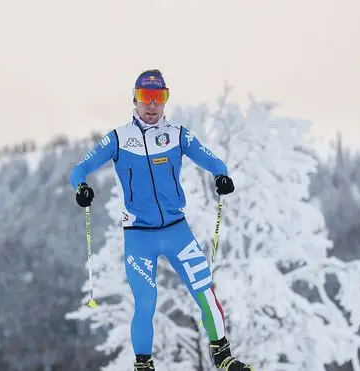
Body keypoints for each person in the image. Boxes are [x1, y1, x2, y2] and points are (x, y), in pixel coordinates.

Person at [69, 69, 253, 371]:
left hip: (177, 232)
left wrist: (222, 175)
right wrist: (82, 188)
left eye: (159, 97)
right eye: (145, 97)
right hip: (139, 237)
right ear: (135, 100)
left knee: (204, 290)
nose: (152, 105)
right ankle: (144, 365)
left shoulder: (178, 134)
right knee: (145, 303)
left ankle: (223, 356)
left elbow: (212, 159)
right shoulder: (118, 139)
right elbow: (79, 170)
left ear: (166, 101)